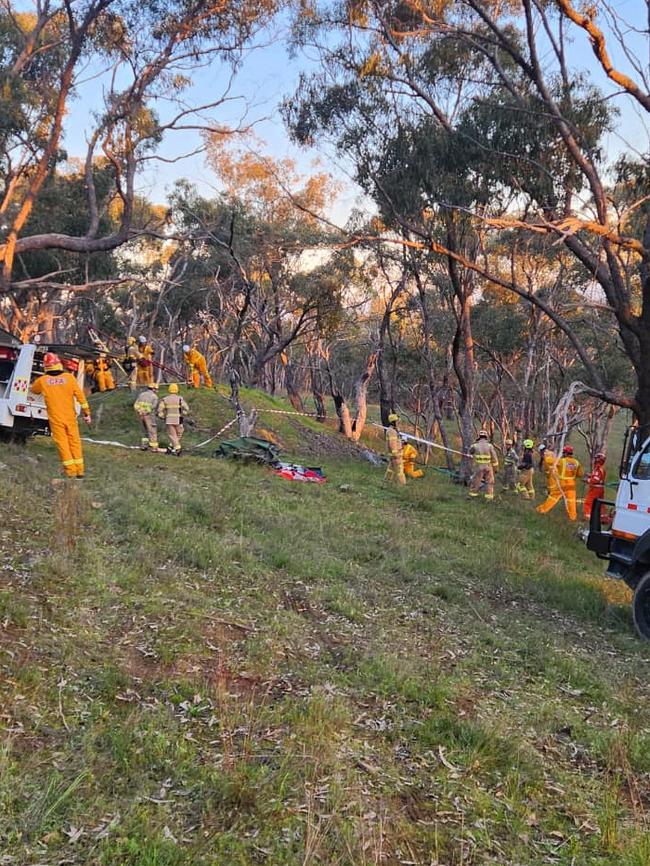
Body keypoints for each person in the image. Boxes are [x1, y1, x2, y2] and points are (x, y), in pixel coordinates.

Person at [30, 352, 91, 478]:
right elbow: (80, 396)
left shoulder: (42, 380)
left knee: (63, 444)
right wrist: (87, 413)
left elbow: (34, 390)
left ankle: (70, 471)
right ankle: (80, 471)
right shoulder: (69, 378)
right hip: (70, 417)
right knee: (74, 442)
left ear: (46, 366)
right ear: (58, 364)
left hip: (56, 418)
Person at [536, 444, 584, 521]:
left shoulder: (562, 461)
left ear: (565, 453)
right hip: (571, 484)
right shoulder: (576, 462)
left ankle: (542, 510)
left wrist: (546, 454)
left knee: (553, 497)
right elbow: (580, 474)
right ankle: (572, 517)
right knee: (571, 501)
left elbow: (549, 461)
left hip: (562, 484)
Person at [157, 383, 190, 455]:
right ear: (177, 390)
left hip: (169, 419)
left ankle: (177, 448)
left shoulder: (165, 399)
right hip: (178, 419)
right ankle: (173, 447)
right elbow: (186, 408)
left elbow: (160, 410)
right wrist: (184, 413)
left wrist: (162, 416)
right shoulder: (180, 399)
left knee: (172, 435)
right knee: (179, 433)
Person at [469, 429, 499, 500]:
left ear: (479, 437)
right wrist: (496, 469)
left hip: (479, 467)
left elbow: (470, 452)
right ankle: (489, 498)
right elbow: (494, 458)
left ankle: (473, 496)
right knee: (490, 482)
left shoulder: (475, 445)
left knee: (476, 481)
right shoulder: (490, 446)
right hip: (488, 467)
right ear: (486, 437)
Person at [134, 382, 159, 451]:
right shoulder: (154, 397)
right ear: (153, 389)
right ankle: (154, 447)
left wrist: (140, 411)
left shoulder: (141, 395)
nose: (157, 391)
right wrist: (146, 412)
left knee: (144, 430)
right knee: (152, 431)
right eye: (156, 389)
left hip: (140, 415)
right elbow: (153, 407)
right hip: (149, 416)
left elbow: (136, 405)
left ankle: (144, 445)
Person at [583, 452, 606, 521]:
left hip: (595, 489)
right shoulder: (601, 468)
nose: (595, 460)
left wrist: (587, 480)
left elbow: (595, 479)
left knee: (588, 502)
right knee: (600, 504)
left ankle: (588, 517)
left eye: (596, 458)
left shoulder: (598, 468)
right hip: (600, 488)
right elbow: (598, 477)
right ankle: (602, 516)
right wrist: (590, 475)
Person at [384, 413, 406, 485]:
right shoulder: (392, 431)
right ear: (393, 422)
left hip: (395, 454)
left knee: (391, 469)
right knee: (400, 471)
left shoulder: (394, 430)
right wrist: (395, 454)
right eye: (397, 421)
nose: (398, 423)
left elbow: (396, 441)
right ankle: (402, 485)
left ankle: (386, 482)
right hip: (396, 455)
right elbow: (392, 444)